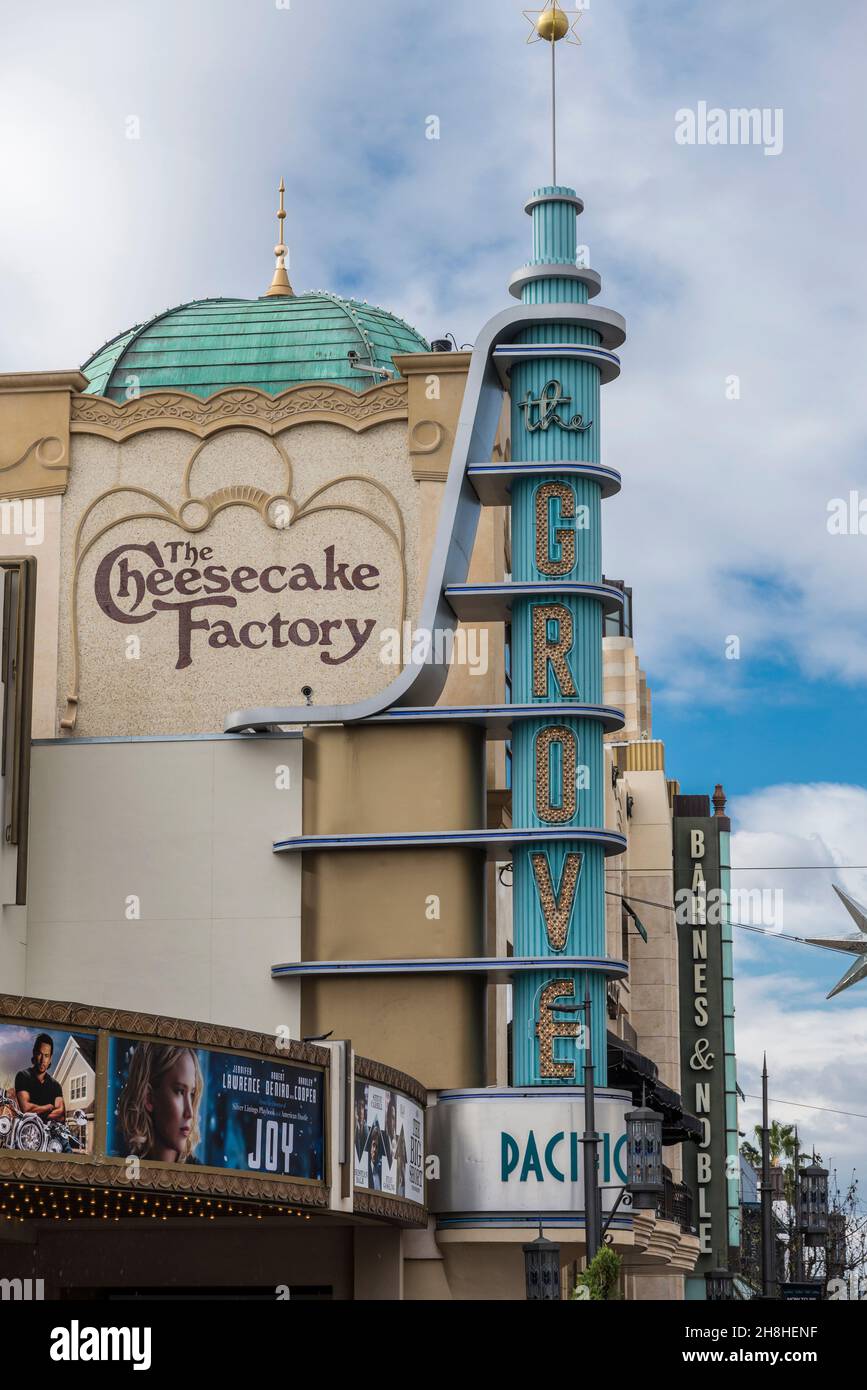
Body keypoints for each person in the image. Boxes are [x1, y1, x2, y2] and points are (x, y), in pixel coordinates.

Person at [117, 1043, 203, 1163]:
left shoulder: (199, 1175)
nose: (190, 1113)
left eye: (192, 1094)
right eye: (179, 1091)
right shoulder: (122, 1168)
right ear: (149, 1098)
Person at [15, 1034, 65, 1124]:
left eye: (46, 1055)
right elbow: (26, 1109)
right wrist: (48, 1107)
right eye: (40, 1054)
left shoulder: (56, 1085)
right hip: (27, 1134)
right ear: (34, 1053)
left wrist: (38, 1112)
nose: (42, 1060)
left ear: (50, 1058)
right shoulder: (23, 1076)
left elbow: (61, 1114)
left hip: (49, 1136)